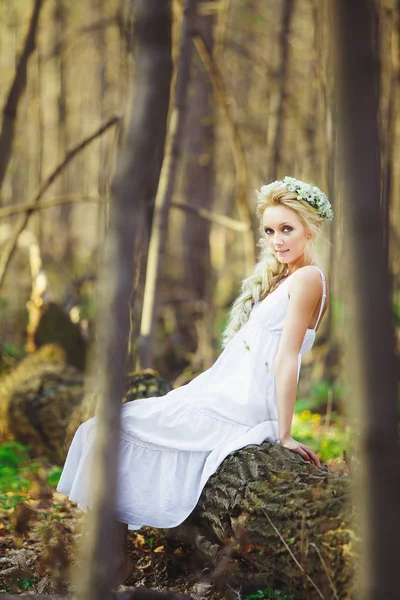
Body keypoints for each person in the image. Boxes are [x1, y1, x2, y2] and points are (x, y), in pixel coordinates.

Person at [56, 176, 333, 585]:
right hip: (219, 392)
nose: (276, 240)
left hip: (239, 404)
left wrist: (285, 433)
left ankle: (108, 564)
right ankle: (108, 560)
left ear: (311, 228)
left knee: (107, 431)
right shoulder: (287, 278)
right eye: (270, 231)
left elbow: (287, 356)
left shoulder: (309, 279)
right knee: (104, 429)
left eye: (287, 229)